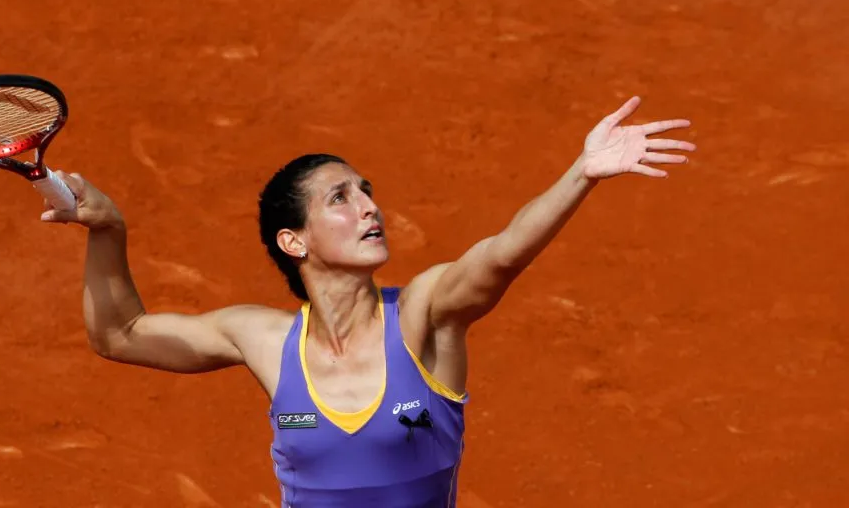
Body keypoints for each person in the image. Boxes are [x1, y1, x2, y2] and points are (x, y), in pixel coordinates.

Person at [40, 96, 695, 507]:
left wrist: (581, 174)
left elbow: (500, 255)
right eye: (340, 199)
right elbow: (119, 334)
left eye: (366, 190)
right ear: (292, 240)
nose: (369, 206)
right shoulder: (263, 340)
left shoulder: (424, 316)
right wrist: (108, 230)